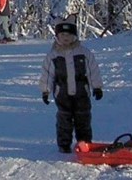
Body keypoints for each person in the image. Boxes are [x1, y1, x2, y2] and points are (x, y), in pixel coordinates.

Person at [39, 15, 104, 153]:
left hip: (82, 92)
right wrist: (45, 90)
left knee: (83, 118)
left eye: (69, 34)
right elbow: (47, 74)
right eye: (62, 34)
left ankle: (85, 143)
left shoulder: (84, 53)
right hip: (62, 93)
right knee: (64, 119)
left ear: (74, 35)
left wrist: (97, 87)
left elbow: (93, 71)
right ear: (57, 36)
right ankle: (64, 144)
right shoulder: (53, 56)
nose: (66, 37)